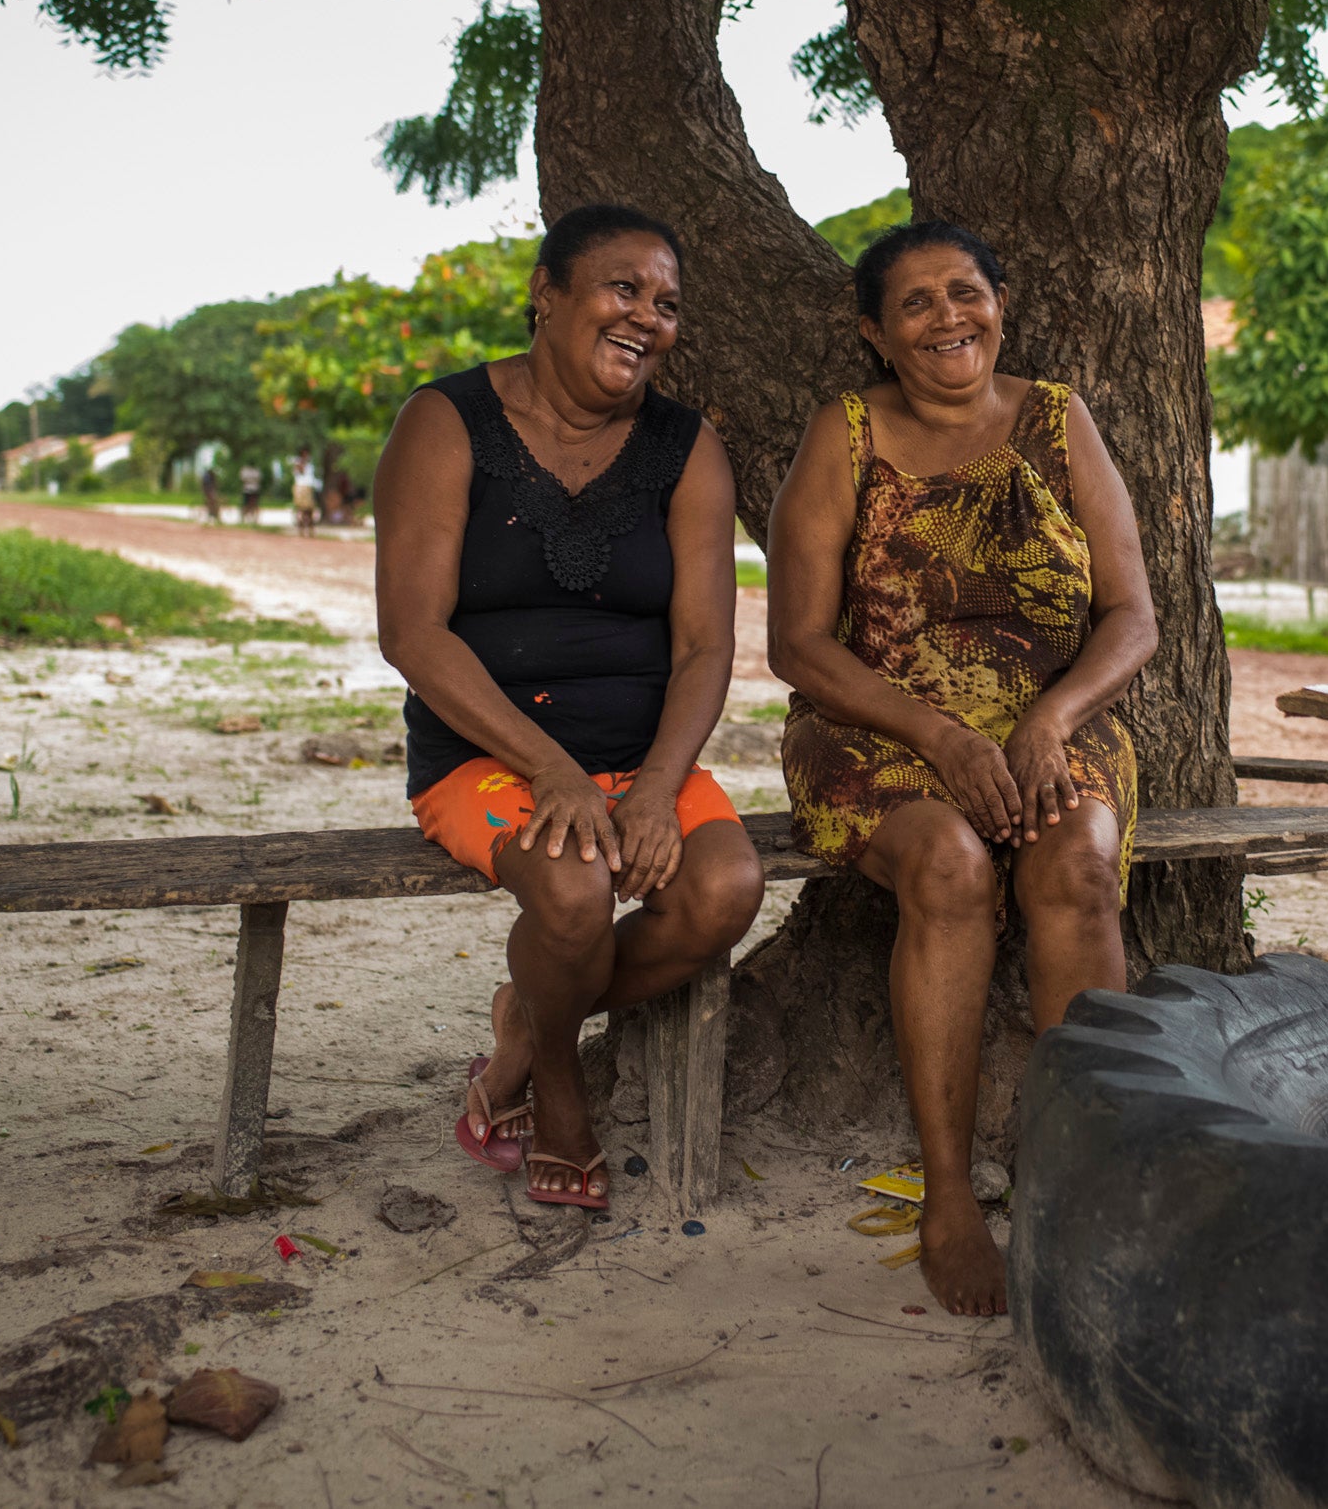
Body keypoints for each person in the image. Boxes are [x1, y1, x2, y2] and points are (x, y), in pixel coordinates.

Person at [767, 221, 1156, 1316]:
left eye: (965, 292)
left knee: (1076, 857)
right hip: (876, 731)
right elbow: (797, 643)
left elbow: (1133, 616)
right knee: (948, 866)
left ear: (999, 301)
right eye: (917, 304)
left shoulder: (1058, 418)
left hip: (1049, 721)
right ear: (875, 334)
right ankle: (948, 1195)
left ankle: (1083, 1179)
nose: (950, 317)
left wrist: (1051, 720)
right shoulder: (845, 433)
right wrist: (943, 737)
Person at [377, 202, 763, 1212]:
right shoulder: (446, 421)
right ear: (546, 295)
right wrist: (548, 765)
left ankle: (526, 1027)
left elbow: (703, 643)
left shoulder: (688, 447)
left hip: (645, 754)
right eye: (623, 288)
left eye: (668, 303)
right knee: (576, 887)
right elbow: (413, 631)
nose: (648, 316)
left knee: (724, 891)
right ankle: (558, 1083)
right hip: (487, 752)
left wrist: (658, 788)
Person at [292, 454, 320, 537]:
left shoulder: (310, 466)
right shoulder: (298, 465)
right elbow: (300, 472)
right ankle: (301, 530)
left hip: (308, 488)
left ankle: (310, 530)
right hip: (301, 489)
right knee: (301, 510)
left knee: (310, 510)